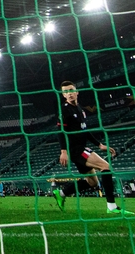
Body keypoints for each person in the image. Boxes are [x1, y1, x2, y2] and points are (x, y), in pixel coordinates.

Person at [52, 81, 133, 215]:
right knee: (106, 167)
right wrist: (63, 151)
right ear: (63, 95)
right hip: (75, 150)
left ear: (77, 92)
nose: (69, 93)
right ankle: (111, 206)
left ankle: (61, 193)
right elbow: (60, 131)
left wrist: (99, 145)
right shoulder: (64, 110)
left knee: (92, 182)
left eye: (71, 90)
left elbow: (85, 130)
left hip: (81, 147)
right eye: (66, 91)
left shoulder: (81, 109)